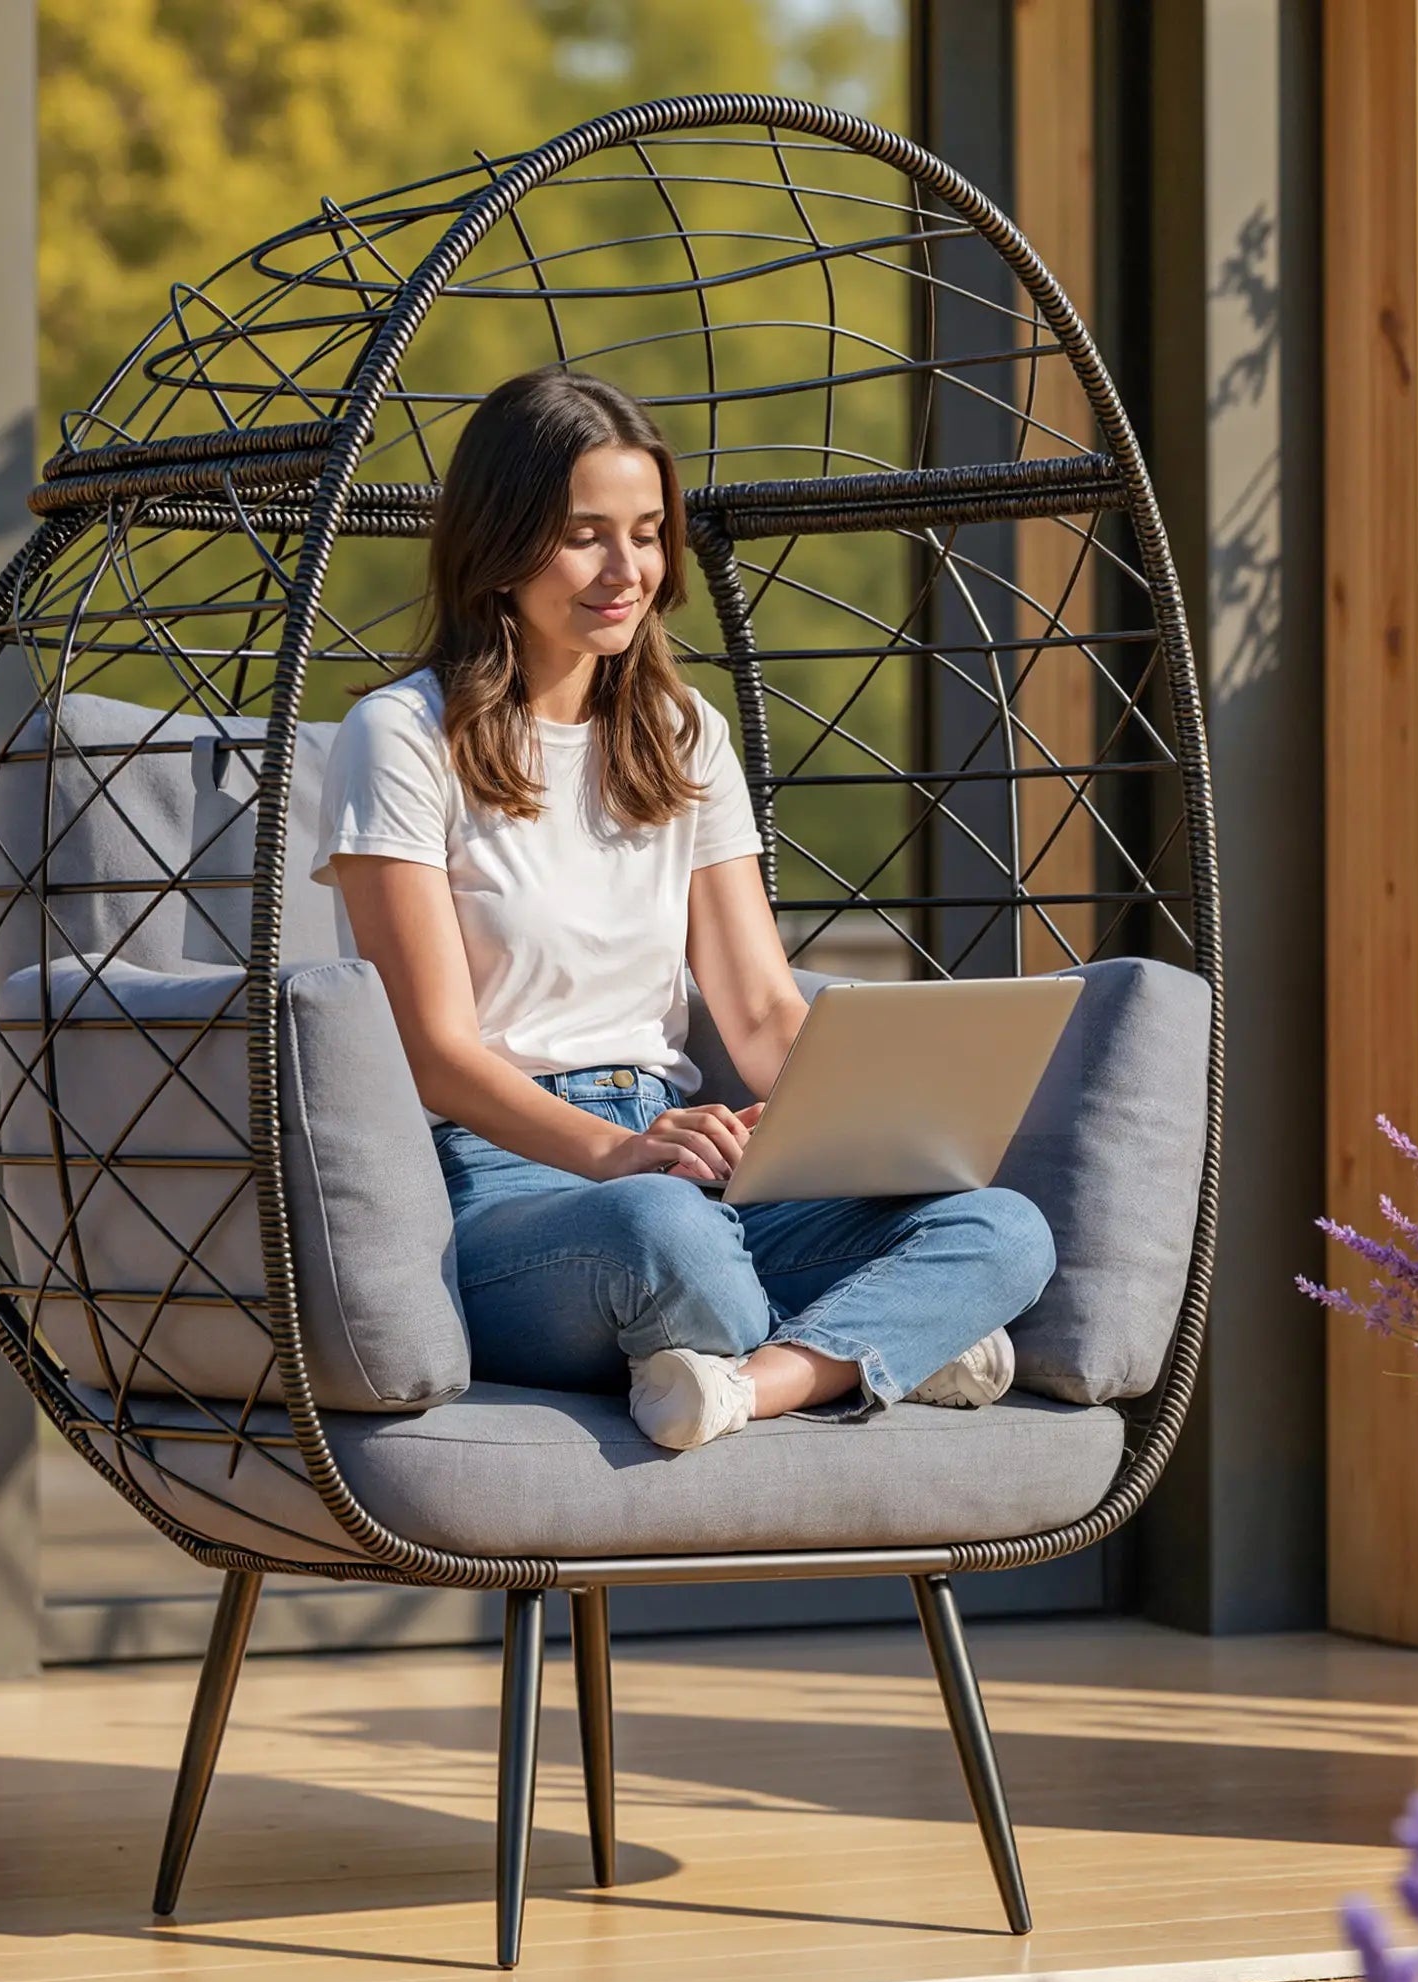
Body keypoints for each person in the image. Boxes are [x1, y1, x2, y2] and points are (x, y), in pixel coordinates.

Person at [310, 365, 1055, 1451]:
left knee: (1002, 1227)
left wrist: (861, 1132)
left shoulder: (679, 728)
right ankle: (889, 1344)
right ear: (499, 540)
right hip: (511, 1177)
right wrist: (615, 1155)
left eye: (650, 532)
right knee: (668, 1237)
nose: (629, 570)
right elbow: (433, 1050)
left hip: (689, 1151)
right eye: (585, 535)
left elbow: (757, 1011)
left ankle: (746, 1385)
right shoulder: (402, 735)